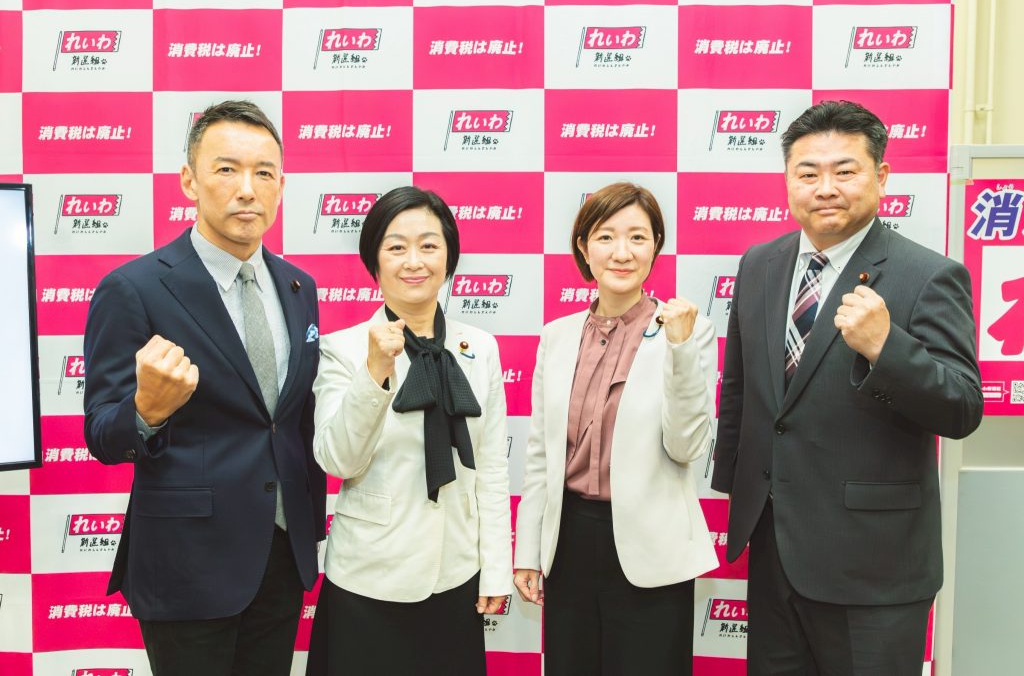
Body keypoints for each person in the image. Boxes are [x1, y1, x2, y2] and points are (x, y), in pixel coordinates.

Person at [711, 100, 984, 674]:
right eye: (808, 173)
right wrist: (735, 491)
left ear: (881, 177)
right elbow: (740, 390)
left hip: (873, 565)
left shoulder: (929, 275)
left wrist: (888, 349)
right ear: (788, 180)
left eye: (845, 171)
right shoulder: (759, 264)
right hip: (774, 549)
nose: (825, 188)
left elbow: (961, 407)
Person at [83, 100, 326, 676]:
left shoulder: (299, 286)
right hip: (187, 563)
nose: (247, 189)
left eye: (263, 173)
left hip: (281, 552)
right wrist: (146, 411)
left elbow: (291, 421)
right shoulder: (135, 288)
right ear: (189, 181)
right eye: (226, 169)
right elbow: (101, 432)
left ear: (281, 186)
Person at [513, 182, 718, 675]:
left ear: (656, 247)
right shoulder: (557, 336)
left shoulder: (687, 331)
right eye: (605, 237)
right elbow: (541, 455)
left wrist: (681, 349)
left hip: (651, 547)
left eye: (638, 237)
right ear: (584, 248)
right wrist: (528, 551)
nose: (622, 252)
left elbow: (686, 445)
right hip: (569, 542)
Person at [306, 186, 512, 676]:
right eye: (396, 247)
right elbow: (338, 460)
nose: (414, 261)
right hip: (369, 579)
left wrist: (495, 568)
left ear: (448, 256)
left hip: (455, 575)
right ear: (374, 262)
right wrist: (374, 371)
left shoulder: (479, 347)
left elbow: (491, 469)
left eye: (429, 245)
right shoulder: (344, 349)